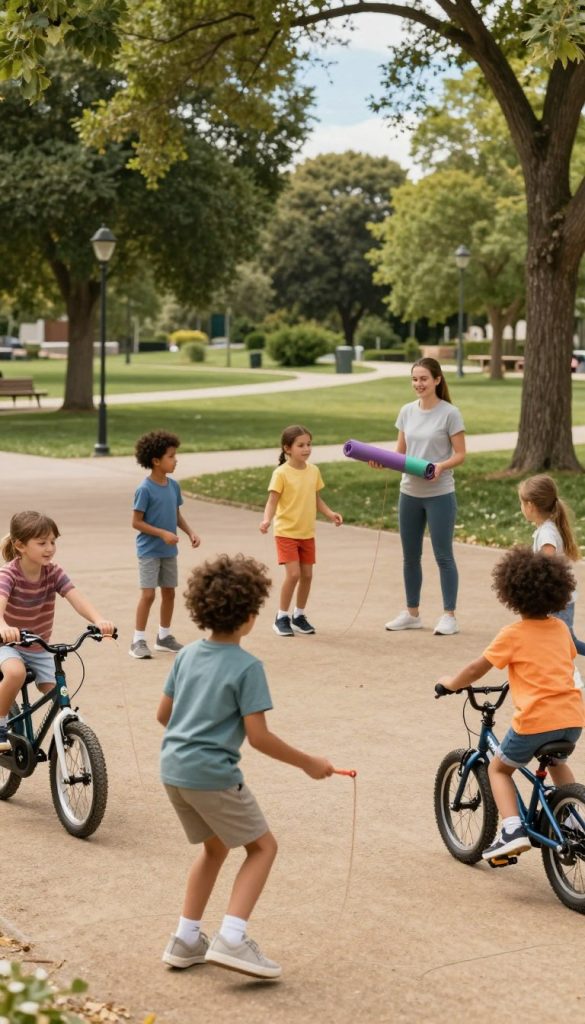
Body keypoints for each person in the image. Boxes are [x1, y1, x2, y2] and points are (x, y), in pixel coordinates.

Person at [157, 553, 333, 979]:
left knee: (215, 847)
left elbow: (164, 715)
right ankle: (232, 939)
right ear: (251, 616)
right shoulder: (247, 667)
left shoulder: (187, 656)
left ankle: (186, 938)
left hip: (173, 770)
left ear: (202, 610)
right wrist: (308, 762)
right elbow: (259, 737)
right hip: (212, 776)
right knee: (263, 847)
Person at [437, 546, 585, 860]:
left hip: (536, 721)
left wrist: (451, 682)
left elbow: (477, 669)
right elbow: (558, 660)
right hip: (572, 719)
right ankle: (572, 817)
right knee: (557, 762)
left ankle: (512, 829)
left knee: (499, 768)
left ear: (511, 595)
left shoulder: (512, 635)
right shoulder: (560, 629)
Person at [0, 510, 115, 752]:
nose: (49, 548)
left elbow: (76, 598)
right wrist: (4, 627)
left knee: (59, 694)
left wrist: (99, 620)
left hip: (39, 646)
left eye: (53, 541)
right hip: (7, 645)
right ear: (20, 545)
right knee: (15, 672)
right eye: (41, 543)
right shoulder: (8, 574)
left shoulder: (53, 572)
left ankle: (66, 734)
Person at [381, 357, 466, 636]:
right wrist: (382, 461)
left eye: (424, 379)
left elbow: (460, 455)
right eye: (415, 379)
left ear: (437, 380)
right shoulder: (406, 411)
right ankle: (412, 613)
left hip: (440, 493)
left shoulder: (450, 413)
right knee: (410, 556)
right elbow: (400, 454)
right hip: (410, 493)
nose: (419, 384)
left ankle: (449, 615)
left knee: (443, 556)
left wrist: (441, 466)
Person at [259, 424, 343, 638]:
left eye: (308, 444)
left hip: (307, 533)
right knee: (294, 574)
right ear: (287, 448)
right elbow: (272, 501)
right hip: (286, 532)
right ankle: (281, 617)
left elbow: (316, 499)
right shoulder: (281, 473)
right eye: (300, 445)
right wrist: (267, 520)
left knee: (307, 575)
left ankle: (299, 616)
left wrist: (330, 513)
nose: (306, 449)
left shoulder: (313, 471)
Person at [130, 430, 200, 660]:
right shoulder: (145, 489)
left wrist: (190, 532)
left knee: (169, 593)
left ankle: (164, 637)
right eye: (171, 456)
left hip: (169, 550)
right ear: (156, 461)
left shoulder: (173, 486)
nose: (175, 460)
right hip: (149, 551)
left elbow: (175, 514)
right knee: (148, 595)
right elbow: (136, 522)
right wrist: (161, 533)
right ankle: (138, 640)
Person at [518, 473, 585, 656]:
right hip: (559, 598)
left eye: (522, 503)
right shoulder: (547, 528)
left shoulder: (547, 533)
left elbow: (545, 565)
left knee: (562, 645)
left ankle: (565, 680)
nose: (521, 507)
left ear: (530, 506)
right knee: (566, 643)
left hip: (557, 601)